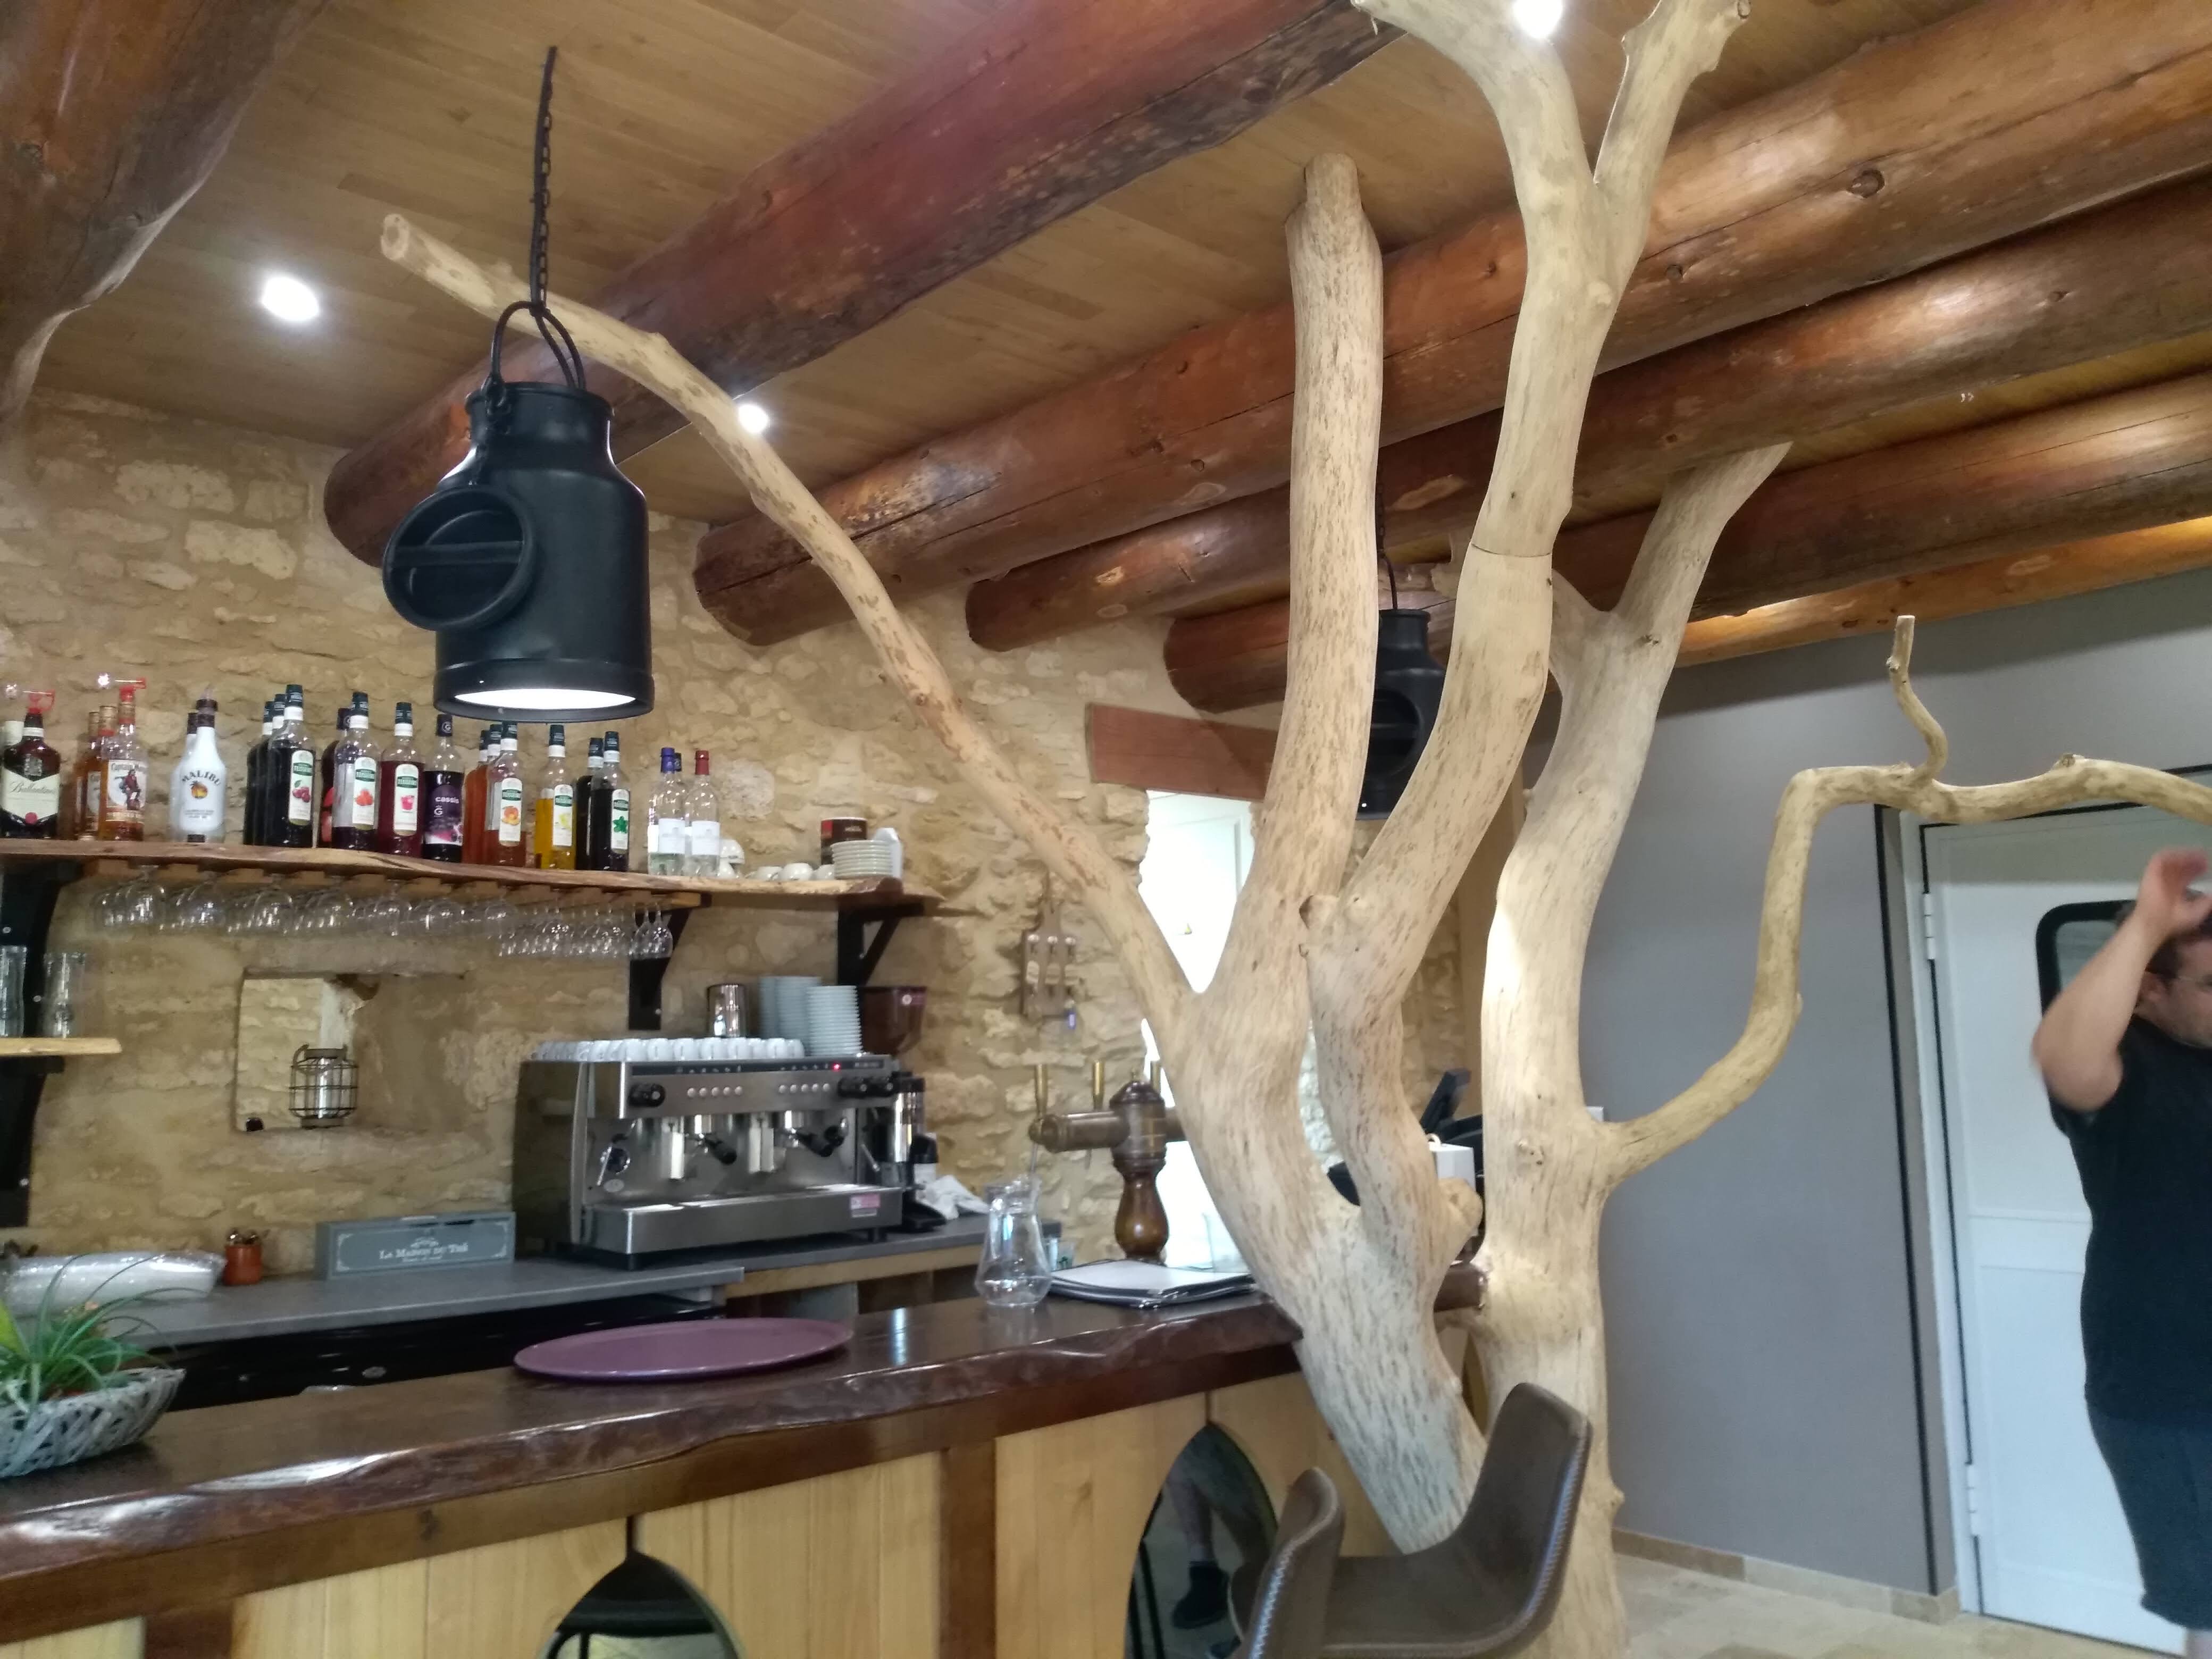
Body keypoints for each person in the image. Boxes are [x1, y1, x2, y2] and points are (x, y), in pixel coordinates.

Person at [2032, 847, 2212, 1654]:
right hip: (2175, 1396)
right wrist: (2146, 926)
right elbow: (2062, 1057)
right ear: (2150, 990)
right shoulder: (2127, 1069)